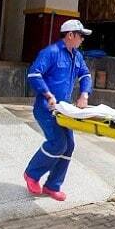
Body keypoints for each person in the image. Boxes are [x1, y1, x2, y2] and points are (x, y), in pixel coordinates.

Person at [24, 19, 93, 201]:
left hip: (64, 109)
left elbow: (85, 75)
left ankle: (52, 185)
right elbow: (33, 74)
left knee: (69, 146)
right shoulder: (51, 53)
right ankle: (31, 174)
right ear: (70, 35)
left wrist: (84, 94)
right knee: (58, 143)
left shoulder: (76, 56)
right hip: (46, 109)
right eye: (81, 36)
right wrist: (47, 94)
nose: (82, 40)